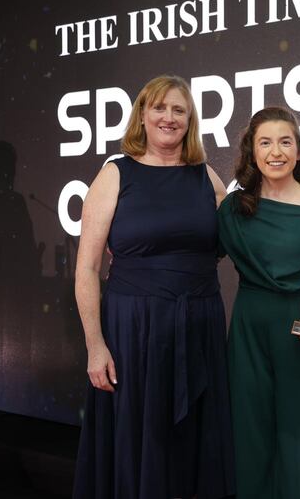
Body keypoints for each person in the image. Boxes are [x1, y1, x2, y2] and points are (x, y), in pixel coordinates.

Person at [73, 75, 235, 499]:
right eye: (160, 108)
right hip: (134, 331)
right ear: (142, 114)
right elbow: (87, 268)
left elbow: (232, 245)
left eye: (179, 110)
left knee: (195, 444)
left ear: (190, 120)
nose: (169, 117)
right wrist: (95, 345)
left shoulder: (208, 178)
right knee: (138, 439)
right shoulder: (114, 174)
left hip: (199, 324)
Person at [217, 106, 300, 499]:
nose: (276, 151)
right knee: (251, 437)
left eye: (285, 141)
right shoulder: (234, 209)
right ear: (251, 152)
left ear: (298, 150)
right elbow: (197, 254)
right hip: (248, 333)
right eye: (265, 142)